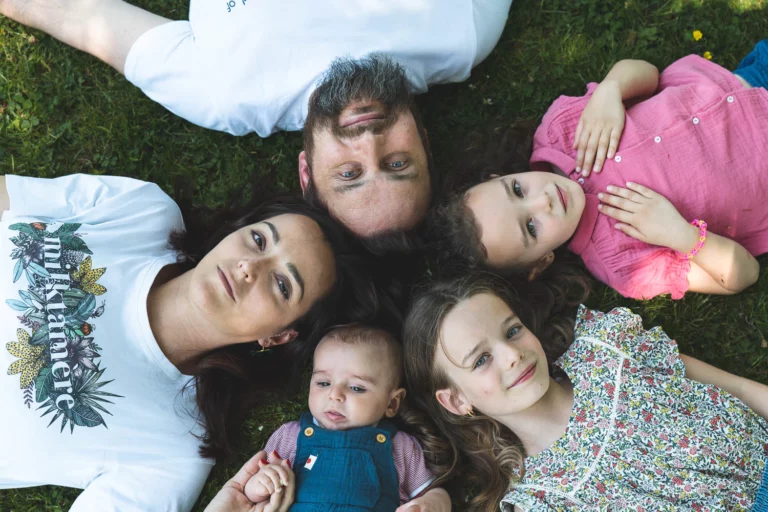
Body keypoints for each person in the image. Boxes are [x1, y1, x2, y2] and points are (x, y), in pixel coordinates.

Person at [0, 173, 376, 511]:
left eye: (281, 284)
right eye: (259, 239)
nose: (249, 267)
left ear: (277, 336)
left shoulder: (176, 449)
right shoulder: (143, 213)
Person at [0, 0, 514, 240]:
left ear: (307, 172)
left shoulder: (223, 91)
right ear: (423, 141)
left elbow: (71, 11)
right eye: (398, 163)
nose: (368, 142)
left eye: (350, 173)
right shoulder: (463, 33)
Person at [403, 272, 768, 511]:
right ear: (457, 400)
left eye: (512, 331)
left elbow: (736, 388)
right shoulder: (542, 499)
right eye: (481, 359)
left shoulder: (608, 349)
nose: (512, 355)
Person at [429, 41, 768, 299]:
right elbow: (743, 274)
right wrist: (679, 234)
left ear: (501, 176)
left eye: (517, 190)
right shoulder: (622, 263)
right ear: (541, 262)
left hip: (749, 78)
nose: (544, 200)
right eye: (531, 227)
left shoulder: (559, 132)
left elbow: (647, 73)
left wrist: (610, 90)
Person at [244, 324, 450, 511]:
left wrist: (433, 503)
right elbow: (249, 488)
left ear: (392, 403)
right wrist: (258, 486)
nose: (335, 395)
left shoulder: (400, 446)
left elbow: (431, 491)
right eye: (324, 383)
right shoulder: (290, 437)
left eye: (356, 388)